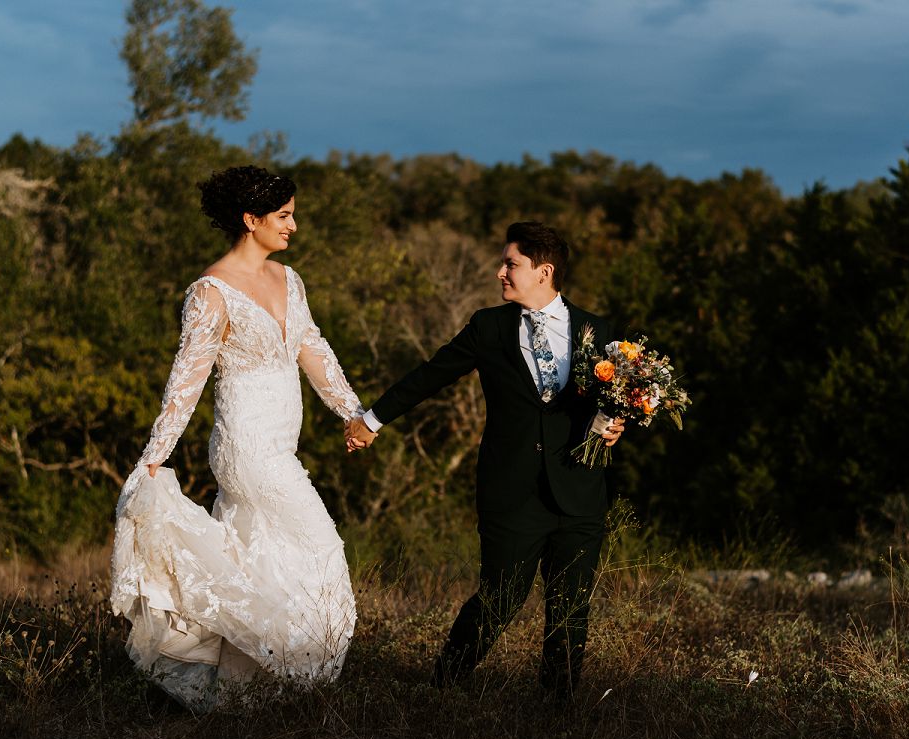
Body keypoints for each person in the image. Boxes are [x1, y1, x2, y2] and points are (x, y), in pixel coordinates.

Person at [112, 166, 366, 710]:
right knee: (321, 551)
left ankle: (244, 692)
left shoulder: (288, 279)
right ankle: (299, 678)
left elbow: (311, 348)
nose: (294, 226)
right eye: (284, 216)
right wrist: (153, 459)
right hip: (246, 450)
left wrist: (351, 413)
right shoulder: (211, 292)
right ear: (250, 220)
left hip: (282, 446)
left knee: (265, 564)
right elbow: (186, 381)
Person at [346, 221, 624, 699]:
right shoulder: (488, 326)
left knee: (571, 607)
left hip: (579, 492)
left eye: (511, 264)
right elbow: (431, 374)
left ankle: (557, 714)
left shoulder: (600, 331)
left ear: (544, 271)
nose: (500, 272)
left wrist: (618, 426)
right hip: (511, 492)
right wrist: (372, 419)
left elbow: (617, 400)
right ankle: (441, 690)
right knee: (499, 598)